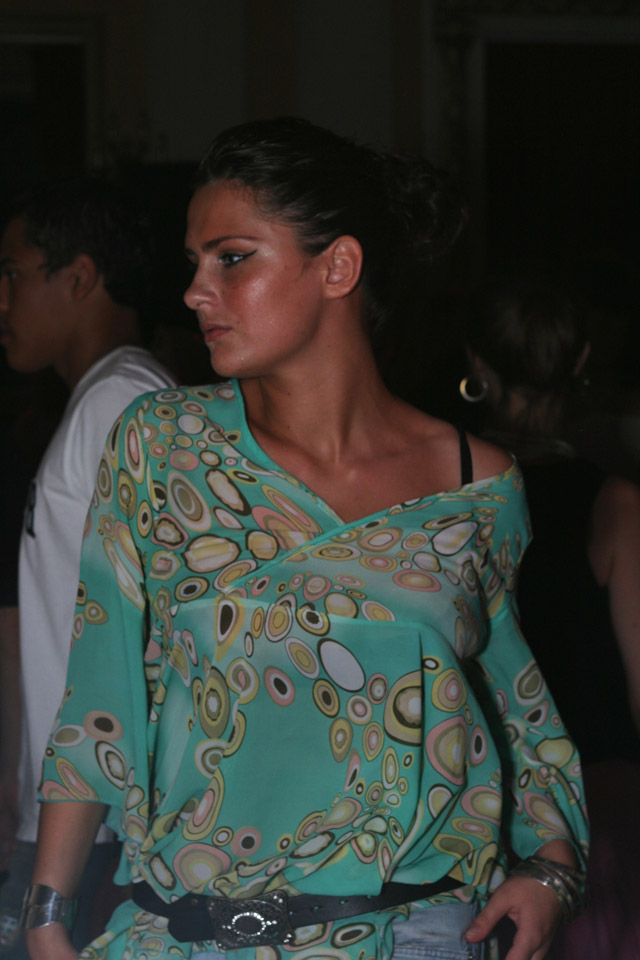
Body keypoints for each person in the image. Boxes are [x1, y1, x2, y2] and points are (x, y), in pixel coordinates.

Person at [22, 121, 587, 960]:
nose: (196, 292)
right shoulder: (163, 448)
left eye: (232, 258)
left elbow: (517, 708)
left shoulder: (477, 483)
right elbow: (98, 700)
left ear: (338, 267)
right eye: (194, 263)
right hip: (186, 935)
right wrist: (45, 917)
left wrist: (553, 869)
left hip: (408, 932)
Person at [0, 179, 176, 957]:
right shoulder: (103, 401)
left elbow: (148, 634)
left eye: (12, 273)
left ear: (79, 278)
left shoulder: (122, 405)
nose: (1, 300)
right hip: (74, 821)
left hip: (96, 831)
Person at [461, 273, 640, 959]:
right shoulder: (613, 504)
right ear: (581, 361)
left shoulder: (444, 496)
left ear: (477, 363)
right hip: (595, 808)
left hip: (480, 800)